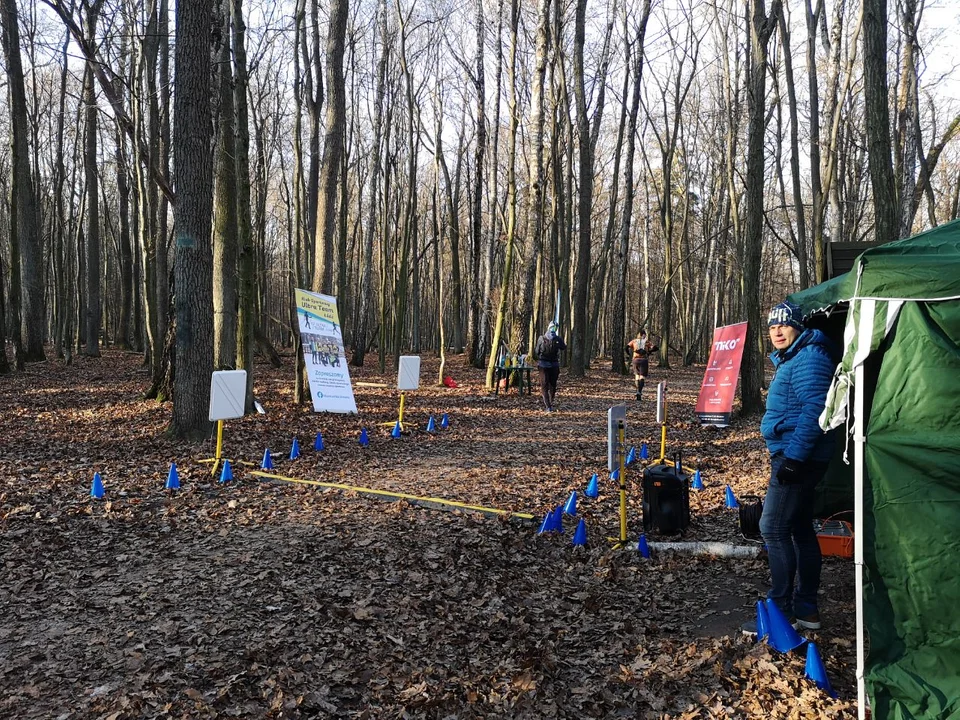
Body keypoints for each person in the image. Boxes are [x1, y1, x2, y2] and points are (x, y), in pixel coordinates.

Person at [744, 300, 838, 635]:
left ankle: (780, 612)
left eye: (784, 325)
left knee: (772, 527)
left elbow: (816, 410)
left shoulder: (810, 356)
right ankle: (807, 609)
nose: (777, 332)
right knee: (799, 528)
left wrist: (795, 459)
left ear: (797, 326)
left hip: (797, 457)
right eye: (772, 327)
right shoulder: (797, 356)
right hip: (795, 455)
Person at [535, 321, 566, 413]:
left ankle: (549, 405)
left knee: (547, 385)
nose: (554, 330)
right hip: (549, 365)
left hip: (547, 365)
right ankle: (550, 403)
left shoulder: (545, 338)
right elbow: (563, 347)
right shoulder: (554, 339)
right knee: (549, 385)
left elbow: (536, 351)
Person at [626, 330, 659, 400]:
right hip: (644, 360)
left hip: (635, 360)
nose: (645, 336)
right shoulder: (647, 342)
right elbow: (656, 348)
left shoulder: (634, 341)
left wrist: (629, 354)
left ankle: (637, 391)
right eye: (645, 335)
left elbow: (626, 347)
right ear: (643, 335)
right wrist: (649, 352)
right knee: (642, 377)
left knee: (636, 376)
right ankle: (639, 392)